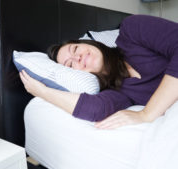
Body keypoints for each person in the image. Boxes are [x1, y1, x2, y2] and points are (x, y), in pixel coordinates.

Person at [19, 15, 178, 130]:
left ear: (88, 43)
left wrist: (147, 114)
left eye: (75, 49)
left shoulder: (131, 30)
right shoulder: (118, 92)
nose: (77, 57)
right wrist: (43, 91)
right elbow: (95, 109)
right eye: (70, 65)